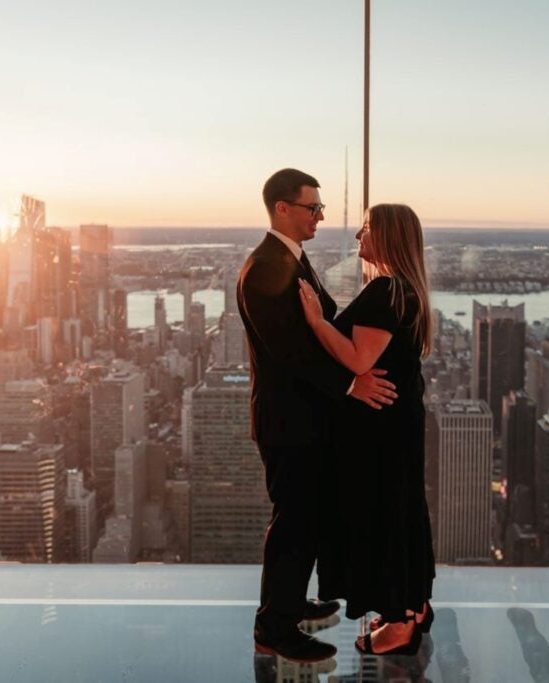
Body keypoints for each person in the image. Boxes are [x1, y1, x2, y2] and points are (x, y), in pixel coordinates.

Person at [237, 168, 398, 663]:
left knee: (304, 518)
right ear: (282, 208)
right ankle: (275, 628)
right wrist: (353, 383)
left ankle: (288, 603)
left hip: (304, 419)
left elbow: (321, 327)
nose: (321, 217)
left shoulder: (291, 260)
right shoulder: (267, 266)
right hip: (289, 422)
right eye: (313, 208)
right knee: (293, 521)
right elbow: (290, 351)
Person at [297, 203, 436, 655]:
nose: (358, 236)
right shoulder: (406, 291)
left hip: (380, 429)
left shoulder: (387, 292)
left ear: (390, 237)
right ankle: (412, 605)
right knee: (400, 507)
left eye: (368, 228)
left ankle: (399, 626)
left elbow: (358, 359)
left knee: (381, 513)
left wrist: (316, 321)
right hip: (397, 421)